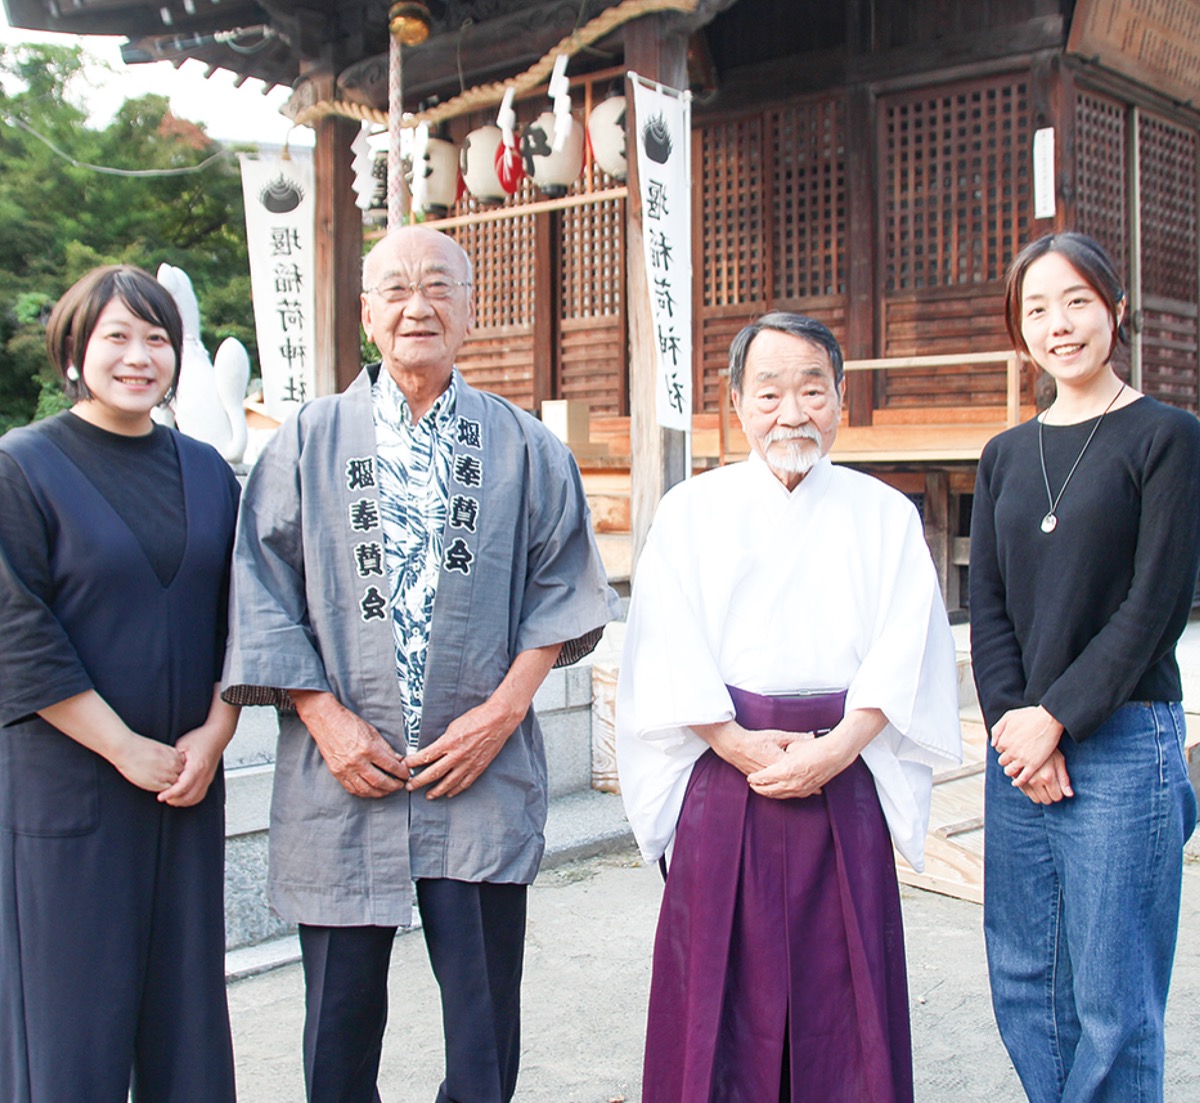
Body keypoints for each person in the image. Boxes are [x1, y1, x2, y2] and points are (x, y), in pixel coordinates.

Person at [222, 225, 620, 1103]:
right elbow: (260, 586)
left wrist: (505, 711)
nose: (418, 305)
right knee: (337, 1024)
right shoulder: (306, 442)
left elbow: (562, 586)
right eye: (395, 289)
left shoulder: (523, 446)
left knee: (483, 1029)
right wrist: (321, 716)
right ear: (367, 314)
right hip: (342, 772)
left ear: (471, 310)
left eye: (439, 286)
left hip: (474, 768)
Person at [616, 312, 962, 1103]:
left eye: (812, 388)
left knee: (847, 999)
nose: (791, 411)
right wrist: (734, 742)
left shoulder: (884, 514)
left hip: (845, 773)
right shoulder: (690, 510)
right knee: (718, 996)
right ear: (737, 403)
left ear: (841, 397)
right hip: (724, 775)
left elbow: (907, 648)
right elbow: (665, 646)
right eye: (768, 391)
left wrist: (839, 747)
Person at [0, 265, 240, 1102]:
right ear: (75, 348)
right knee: (72, 1021)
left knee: (187, 1018)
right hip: (71, 787)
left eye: (158, 338)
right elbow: (16, 629)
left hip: (185, 781)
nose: (139, 356)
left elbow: (240, 620)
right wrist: (123, 748)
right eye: (117, 337)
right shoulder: (21, 467)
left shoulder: (209, 471)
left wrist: (215, 735)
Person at [970, 231, 1200, 1102]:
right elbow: (985, 606)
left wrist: (1055, 717)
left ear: (1116, 310)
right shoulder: (1002, 454)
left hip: (1121, 741)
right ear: (1019, 330)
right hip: (1018, 752)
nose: (1058, 324)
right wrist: (1014, 726)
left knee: (1113, 997)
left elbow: (1154, 607)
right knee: (1027, 979)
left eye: (1075, 301)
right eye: (1036, 308)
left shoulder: (1168, 437)